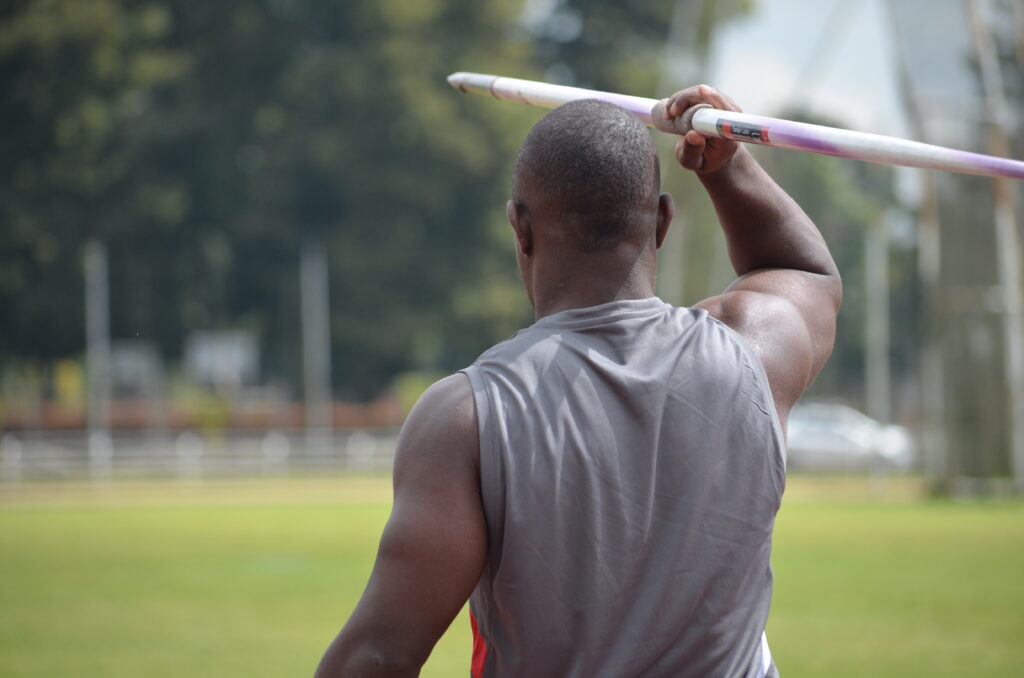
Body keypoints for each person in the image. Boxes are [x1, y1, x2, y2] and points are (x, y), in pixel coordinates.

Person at [314, 84, 841, 678]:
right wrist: (729, 165)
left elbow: (378, 656)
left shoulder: (467, 417)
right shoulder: (753, 354)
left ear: (521, 229)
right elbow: (804, 272)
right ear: (662, 222)